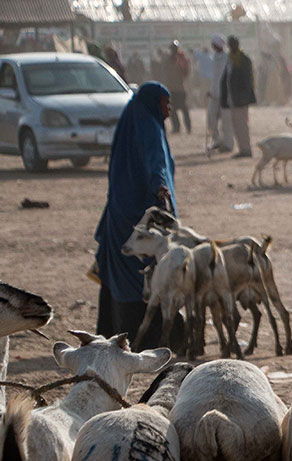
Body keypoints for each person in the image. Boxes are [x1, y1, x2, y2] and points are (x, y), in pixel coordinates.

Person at [94, 82, 181, 347]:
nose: (169, 110)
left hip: (120, 210)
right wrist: (160, 188)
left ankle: (116, 329)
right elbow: (154, 162)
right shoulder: (148, 126)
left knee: (123, 272)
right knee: (143, 271)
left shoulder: (131, 119)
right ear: (155, 103)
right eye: (166, 103)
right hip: (140, 215)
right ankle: (145, 335)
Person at [220, 35, 255, 158]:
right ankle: (242, 149)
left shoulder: (243, 59)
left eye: (233, 44)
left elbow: (247, 81)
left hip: (241, 99)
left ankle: (246, 150)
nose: (232, 46)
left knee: (242, 125)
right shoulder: (230, 59)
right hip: (232, 98)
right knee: (236, 125)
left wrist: (244, 97)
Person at [206, 36, 233, 153]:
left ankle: (228, 143)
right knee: (211, 118)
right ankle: (217, 140)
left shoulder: (227, 57)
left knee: (226, 121)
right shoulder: (214, 57)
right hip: (214, 93)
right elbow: (214, 77)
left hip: (225, 93)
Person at [162, 42, 191, 134]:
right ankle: (176, 127)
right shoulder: (168, 60)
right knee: (172, 109)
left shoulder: (182, 59)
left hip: (180, 88)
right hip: (171, 88)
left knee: (184, 108)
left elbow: (186, 72)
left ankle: (188, 127)